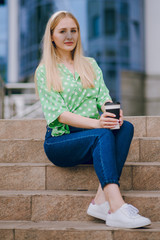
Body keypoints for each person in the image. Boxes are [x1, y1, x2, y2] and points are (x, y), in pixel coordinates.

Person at [35, 10, 151, 228]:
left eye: (74, 31)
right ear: (52, 36)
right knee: (102, 133)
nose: (69, 36)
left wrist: (111, 112)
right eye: (62, 31)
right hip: (61, 140)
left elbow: (103, 98)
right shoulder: (45, 71)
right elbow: (61, 115)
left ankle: (100, 201)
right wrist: (99, 123)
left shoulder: (90, 64)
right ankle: (116, 207)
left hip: (92, 135)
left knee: (124, 127)